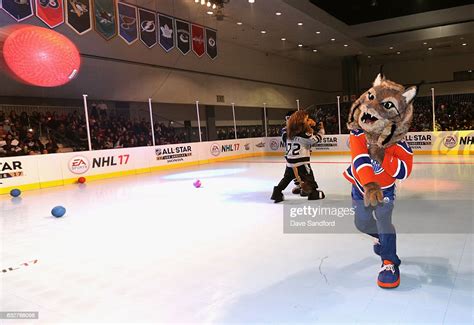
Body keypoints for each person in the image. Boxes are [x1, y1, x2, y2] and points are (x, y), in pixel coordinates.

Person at [271, 110, 326, 202]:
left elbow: (288, 131)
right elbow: (315, 139)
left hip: (290, 161)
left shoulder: (287, 133)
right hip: (302, 161)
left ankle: (277, 192)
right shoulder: (305, 135)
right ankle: (313, 193)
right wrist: (321, 130)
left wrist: (308, 125)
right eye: (307, 119)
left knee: (287, 178)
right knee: (309, 177)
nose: (308, 120)